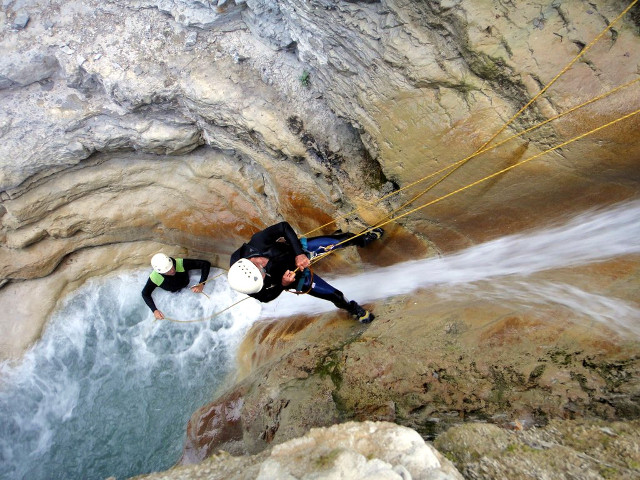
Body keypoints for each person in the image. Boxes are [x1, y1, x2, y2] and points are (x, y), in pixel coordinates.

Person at [227, 221, 383, 323]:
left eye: (262, 276)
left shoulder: (258, 243)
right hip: (298, 278)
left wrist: (299, 254)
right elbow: (265, 297)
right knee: (336, 296)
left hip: (297, 251)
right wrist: (283, 284)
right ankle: (352, 309)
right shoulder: (245, 283)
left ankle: (363, 240)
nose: (263, 279)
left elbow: (283, 227)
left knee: (344, 239)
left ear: (255, 264)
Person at [141, 253, 211, 319]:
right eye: (168, 271)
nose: (172, 271)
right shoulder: (155, 278)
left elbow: (205, 264)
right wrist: (155, 310)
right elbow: (145, 294)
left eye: (172, 267)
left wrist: (201, 284)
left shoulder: (179, 263)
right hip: (174, 295)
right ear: (161, 272)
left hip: (187, 286)